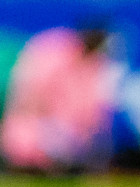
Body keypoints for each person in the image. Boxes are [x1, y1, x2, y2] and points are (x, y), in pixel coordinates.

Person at [1, 23, 114, 174]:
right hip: (34, 124)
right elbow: (29, 94)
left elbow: (92, 113)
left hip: (67, 136)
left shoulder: (95, 64)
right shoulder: (53, 50)